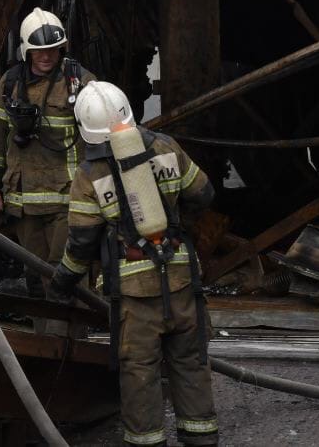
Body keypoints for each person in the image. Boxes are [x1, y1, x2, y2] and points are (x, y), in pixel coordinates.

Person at [49, 82, 219, 447]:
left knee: (140, 371)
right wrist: (176, 224)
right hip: (182, 279)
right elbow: (204, 193)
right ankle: (201, 437)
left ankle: (147, 441)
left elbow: (81, 243)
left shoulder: (90, 174)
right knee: (191, 361)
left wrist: (63, 280)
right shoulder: (167, 147)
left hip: (135, 294)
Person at [0, 7, 94, 297]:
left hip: (68, 199)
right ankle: (44, 327)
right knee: (35, 275)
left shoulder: (79, 83)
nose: (46, 56)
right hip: (23, 200)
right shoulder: (10, 84)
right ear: (26, 51)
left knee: (65, 273)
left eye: (53, 50)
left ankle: (72, 327)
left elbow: (103, 136)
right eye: (39, 51)